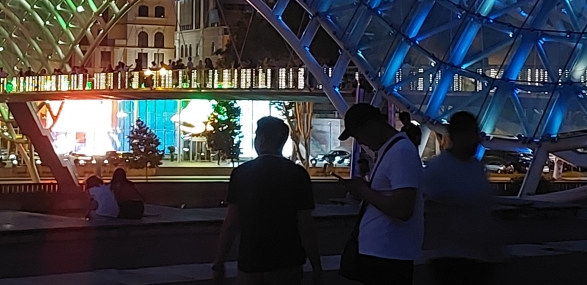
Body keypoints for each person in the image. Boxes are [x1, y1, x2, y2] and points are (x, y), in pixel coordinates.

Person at [212, 116, 322, 285]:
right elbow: (306, 226)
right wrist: (316, 266)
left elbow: (231, 223)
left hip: (251, 259)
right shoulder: (298, 174)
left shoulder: (242, 173)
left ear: (261, 139)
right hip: (287, 260)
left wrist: (219, 262)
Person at [335, 103, 423, 285]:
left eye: (358, 135)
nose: (360, 142)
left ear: (371, 126)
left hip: (387, 254)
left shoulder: (401, 152)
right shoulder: (394, 150)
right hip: (384, 252)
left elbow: (403, 209)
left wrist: (362, 190)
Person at [422, 111, 500, 285]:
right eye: (472, 133)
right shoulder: (438, 170)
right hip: (451, 259)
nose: (477, 139)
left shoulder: (476, 167)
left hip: (476, 257)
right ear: (457, 135)